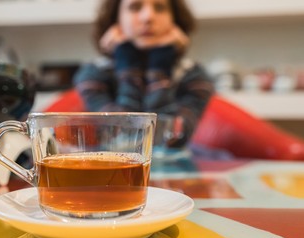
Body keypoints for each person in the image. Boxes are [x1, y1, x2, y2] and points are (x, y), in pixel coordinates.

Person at [73, 0, 214, 147]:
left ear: (175, 19)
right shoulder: (93, 75)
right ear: (115, 18)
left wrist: (160, 65)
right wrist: (127, 62)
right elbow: (124, 138)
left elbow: (168, 140)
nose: (148, 17)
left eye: (160, 8)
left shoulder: (195, 76)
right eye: (135, 7)